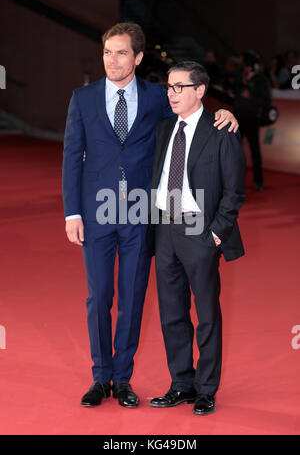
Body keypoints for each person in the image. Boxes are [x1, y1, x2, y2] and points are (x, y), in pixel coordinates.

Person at [62, 22, 239, 409]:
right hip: (96, 213)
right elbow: (72, 156)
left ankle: (122, 380)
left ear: (139, 58)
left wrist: (225, 113)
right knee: (99, 297)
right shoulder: (83, 98)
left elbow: (193, 110)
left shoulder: (157, 97)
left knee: (132, 298)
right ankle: (100, 377)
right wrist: (71, 212)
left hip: (142, 215)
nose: (113, 60)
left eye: (122, 52)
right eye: (108, 52)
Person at [148, 61, 246, 415]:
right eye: (169, 87)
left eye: (179, 87)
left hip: (200, 231)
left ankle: (206, 389)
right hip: (165, 230)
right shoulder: (163, 128)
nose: (171, 94)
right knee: (172, 313)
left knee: (206, 314)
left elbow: (235, 191)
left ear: (200, 90)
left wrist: (216, 235)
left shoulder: (221, 130)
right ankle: (181, 384)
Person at [233, 51, 271, 191]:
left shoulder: (261, 79)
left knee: (255, 150)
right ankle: (233, 182)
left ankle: (258, 181)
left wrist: (251, 97)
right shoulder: (240, 77)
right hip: (237, 118)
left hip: (252, 118)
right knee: (235, 151)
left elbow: (266, 101)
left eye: (247, 65)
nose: (245, 67)